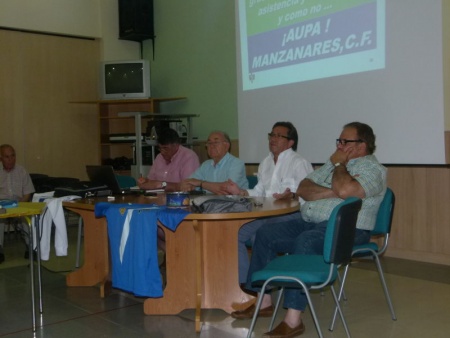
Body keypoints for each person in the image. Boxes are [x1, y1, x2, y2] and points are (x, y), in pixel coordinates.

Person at [231, 122, 387, 338]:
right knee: (266, 234)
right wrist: (335, 190)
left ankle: (293, 319)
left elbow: (346, 190)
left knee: (305, 241)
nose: (339, 146)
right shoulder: (332, 164)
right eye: (338, 141)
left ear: (363, 144)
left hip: (348, 228)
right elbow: (303, 188)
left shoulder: (372, 169)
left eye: (345, 141)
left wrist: (340, 169)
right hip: (311, 221)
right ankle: (264, 300)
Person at [224, 121, 313, 286]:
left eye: (279, 136)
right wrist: (241, 192)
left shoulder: (299, 163)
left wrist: (292, 196)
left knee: (262, 234)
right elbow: (259, 192)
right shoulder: (265, 162)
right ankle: (244, 284)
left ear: (290, 142)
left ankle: (263, 288)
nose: (273, 139)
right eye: (272, 135)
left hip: (290, 216)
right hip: (264, 214)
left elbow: (309, 197)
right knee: (235, 234)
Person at [137, 128, 200, 252]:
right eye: (160, 148)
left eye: (165, 148)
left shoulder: (188, 157)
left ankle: (174, 257)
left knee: (154, 227)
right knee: (142, 223)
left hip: (180, 206)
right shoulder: (160, 157)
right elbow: (151, 181)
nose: (162, 151)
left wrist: (162, 184)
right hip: (159, 203)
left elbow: (186, 186)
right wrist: (145, 182)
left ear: (176, 145)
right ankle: (170, 257)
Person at [180, 131, 248, 194]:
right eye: (209, 143)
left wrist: (201, 184)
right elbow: (189, 182)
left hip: (233, 204)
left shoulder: (237, 163)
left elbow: (228, 189)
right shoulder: (205, 165)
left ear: (226, 146)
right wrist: (191, 186)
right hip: (210, 204)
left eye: (216, 142)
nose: (211, 146)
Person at [0, 144, 35, 263]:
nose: (11, 159)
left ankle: (30, 247)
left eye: (13, 156)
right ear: (1, 158)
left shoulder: (21, 171)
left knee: (26, 218)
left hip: (19, 203)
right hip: (1, 205)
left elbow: (28, 193)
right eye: (7, 157)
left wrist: (20, 205)